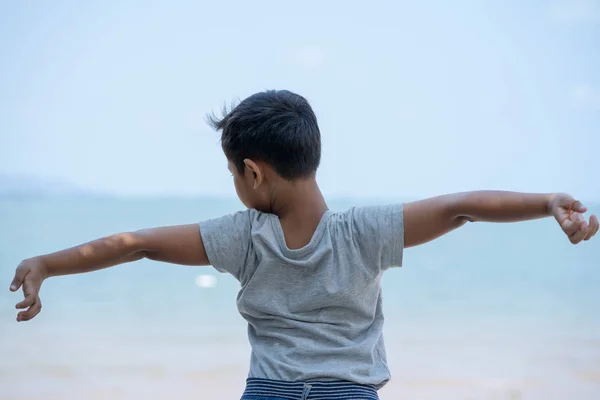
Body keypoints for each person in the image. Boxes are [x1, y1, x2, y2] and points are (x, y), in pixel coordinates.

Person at [9, 90, 598, 400]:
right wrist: (546, 201)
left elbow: (136, 244)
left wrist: (46, 264)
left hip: (267, 394)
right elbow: (460, 207)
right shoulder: (366, 232)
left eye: (233, 175)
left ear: (253, 173)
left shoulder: (243, 238)